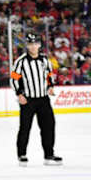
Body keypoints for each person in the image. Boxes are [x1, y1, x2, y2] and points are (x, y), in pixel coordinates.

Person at [10, 33, 63, 167]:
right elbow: (13, 79)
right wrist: (19, 94)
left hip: (43, 99)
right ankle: (22, 154)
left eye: (35, 44)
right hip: (28, 100)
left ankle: (49, 154)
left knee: (49, 126)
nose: (33, 47)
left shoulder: (45, 60)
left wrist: (50, 86)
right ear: (27, 46)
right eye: (30, 44)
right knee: (25, 128)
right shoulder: (21, 61)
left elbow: (50, 75)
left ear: (39, 45)